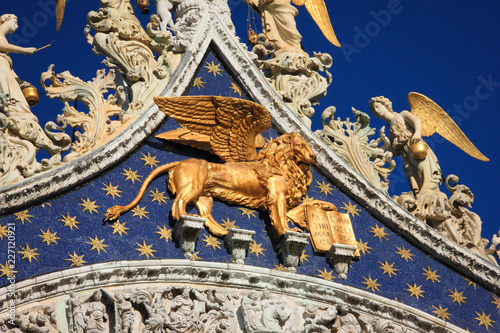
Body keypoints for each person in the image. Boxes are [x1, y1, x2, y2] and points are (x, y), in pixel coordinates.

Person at [369, 96, 449, 224]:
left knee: (424, 172)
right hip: (406, 156)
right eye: (373, 110)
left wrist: (417, 132)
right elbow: (394, 146)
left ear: (386, 105)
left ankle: (430, 194)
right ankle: (419, 197)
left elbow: (416, 121)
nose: (376, 110)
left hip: (416, 147)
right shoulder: (390, 129)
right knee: (413, 177)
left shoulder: (402, 115)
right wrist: (384, 154)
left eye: (378, 106)